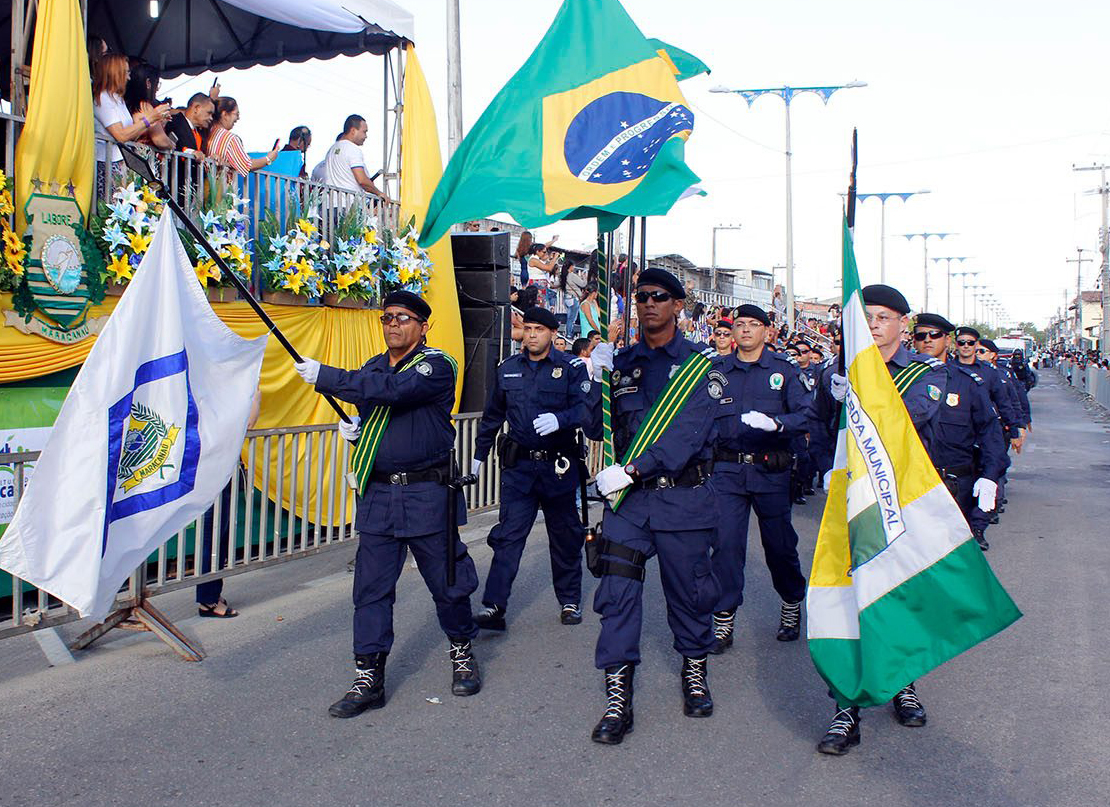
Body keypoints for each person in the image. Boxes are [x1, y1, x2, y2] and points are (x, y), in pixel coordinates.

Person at [291, 290, 481, 717]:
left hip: (426, 493)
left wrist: (325, 375)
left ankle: (462, 650)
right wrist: (357, 428)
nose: (394, 324)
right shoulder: (374, 367)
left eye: (404, 318)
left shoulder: (436, 365)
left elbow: (392, 392)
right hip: (378, 495)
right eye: (387, 318)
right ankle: (368, 676)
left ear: (423, 326)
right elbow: (370, 395)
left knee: (447, 582)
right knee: (371, 590)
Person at [585, 267, 721, 745]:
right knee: (616, 595)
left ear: (679, 305)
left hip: (682, 498)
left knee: (689, 594)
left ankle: (694, 669)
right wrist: (592, 378)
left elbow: (688, 436)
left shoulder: (702, 367)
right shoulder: (620, 363)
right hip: (631, 505)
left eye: (659, 296)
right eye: (641, 296)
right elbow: (596, 427)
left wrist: (633, 468)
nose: (647, 304)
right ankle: (618, 697)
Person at [819, 283, 947, 755]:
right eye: (865, 318)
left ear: (902, 325)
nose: (872, 325)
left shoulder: (924, 375)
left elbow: (907, 420)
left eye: (882, 317)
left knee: (900, 595)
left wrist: (859, 394)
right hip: (849, 503)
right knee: (849, 600)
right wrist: (832, 394)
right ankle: (845, 709)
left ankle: (903, 682)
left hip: (900, 504)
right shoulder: (841, 369)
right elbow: (815, 426)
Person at [471, 307, 592, 630]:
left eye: (539, 328)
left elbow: (586, 409)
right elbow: (493, 415)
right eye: (528, 328)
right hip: (520, 467)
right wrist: (478, 457)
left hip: (558, 466)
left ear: (553, 333)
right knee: (508, 537)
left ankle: (569, 600)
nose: (532, 334)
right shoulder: (508, 369)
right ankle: (494, 605)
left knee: (564, 536)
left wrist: (561, 420)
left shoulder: (571, 368)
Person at [707, 305, 813, 654]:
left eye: (754, 325)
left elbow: (805, 414)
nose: (747, 330)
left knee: (780, 545)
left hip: (770, 469)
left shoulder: (783, 370)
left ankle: (791, 602)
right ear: (732, 332)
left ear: (767, 331)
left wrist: (780, 424)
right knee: (726, 547)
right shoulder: (717, 370)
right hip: (727, 470)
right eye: (740, 325)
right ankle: (723, 618)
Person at [912, 314, 1008, 552]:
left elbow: (989, 433)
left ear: (947, 340)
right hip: (911, 484)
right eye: (920, 335)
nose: (927, 340)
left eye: (934, 335)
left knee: (954, 559)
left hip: (954, 484)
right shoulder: (900, 381)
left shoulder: (966, 383)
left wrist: (989, 476)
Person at [196, 388, 261, 617]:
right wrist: (254, 387)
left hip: (216, 462)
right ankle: (208, 599)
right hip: (212, 464)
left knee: (217, 532)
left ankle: (210, 593)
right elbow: (251, 420)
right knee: (213, 532)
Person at [92, 54, 171, 196]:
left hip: (121, 163)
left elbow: (130, 134)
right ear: (116, 73)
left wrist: (153, 120)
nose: (129, 78)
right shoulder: (102, 98)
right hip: (107, 164)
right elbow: (121, 135)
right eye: (127, 73)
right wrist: (149, 119)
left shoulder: (118, 99)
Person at [206, 97, 281, 177]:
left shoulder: (206, 133)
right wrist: (269, 159)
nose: (238, 118)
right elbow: (247, 165)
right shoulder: (230, 138)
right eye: (236, 114)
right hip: (220, 187)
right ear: (225, 114)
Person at [325, 115, 384, 197]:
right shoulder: (352, 148)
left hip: (330, 204)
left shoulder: (331, 150)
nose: (366, 136)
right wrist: (379, 193)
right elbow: (362, 180)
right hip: (348, 204)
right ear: (353, 131)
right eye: (364, 132)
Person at [123, 61, 175, 149]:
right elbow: (160, 140)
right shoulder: (145, 107)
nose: (157, 89)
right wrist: (171, 144)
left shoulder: (125, 103)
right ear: (148, 83)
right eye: (157, 83)